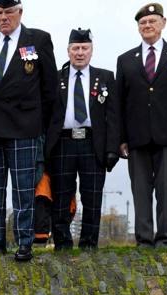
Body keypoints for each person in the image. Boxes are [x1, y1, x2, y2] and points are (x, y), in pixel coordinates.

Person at [0, 0, 58, 262]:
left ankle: (24, 242)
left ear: (20, 12)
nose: (4, 17)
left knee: (23, 190)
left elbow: (50, 89)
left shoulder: (38, 40)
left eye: (9, 12)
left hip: (24, 126)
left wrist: (39, 125)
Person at [116, 3, 167, 247]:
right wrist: (121, 138)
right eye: (143, 23)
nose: (147, 26)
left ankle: (165, 238)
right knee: (140, 191)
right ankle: (144, 239)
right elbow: (120, 103)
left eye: (152, 21)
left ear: (163, 23)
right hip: (137, 136)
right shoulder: (126, 60)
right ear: (138, 27)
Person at [45, 28, 119, 250]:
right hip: (62, 144)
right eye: (75, 48)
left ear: (91, 51)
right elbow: (45, 114)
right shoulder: (55, 78)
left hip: (92, 144)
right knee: (60, 197)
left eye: (84, 48)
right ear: (67, 51)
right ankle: (63, 244)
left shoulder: (105, 77)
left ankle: (88, 244)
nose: (80, 53)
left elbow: (113, 116)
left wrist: (112, 149)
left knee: (92, 197)